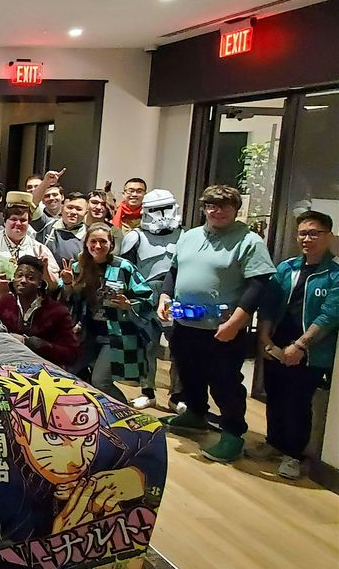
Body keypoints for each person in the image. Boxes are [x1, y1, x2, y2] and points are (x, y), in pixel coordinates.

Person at [159, 185, 276, 464]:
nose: (217, 211)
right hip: (185, 322)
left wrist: (236, 322)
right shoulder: (190, 236)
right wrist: (164, 296)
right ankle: (195, 414)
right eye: (211, 206)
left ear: (236, 209)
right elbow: (174, 270)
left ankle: (233, 433)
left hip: (222, 328)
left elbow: (258, 285)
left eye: (224, 206)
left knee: (225, 382)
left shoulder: (249, 241)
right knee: (188, 372)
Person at [256, 211, 338, 480]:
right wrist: (265, 337)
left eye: (314, 233)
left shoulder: (334, 274)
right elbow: (269, 304)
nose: (307, 239)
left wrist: (301, 346)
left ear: (328, 236)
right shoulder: (286, 268)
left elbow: (329, 316)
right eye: (302, 233)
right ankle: (274, 442)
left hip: (310, 351)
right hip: (277, 343)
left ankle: (294, 455)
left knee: (297, 402)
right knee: (275, 395)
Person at [59, 223, 156, 403]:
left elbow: (148, 298)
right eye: (93, 241)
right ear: (86, 244)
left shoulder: (124, 267)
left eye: (103, 241)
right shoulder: (78, 268)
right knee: (67, 372)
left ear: (111, 244)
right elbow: (64, 300)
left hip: (117, 335)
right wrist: (66, 283)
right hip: (85, 333)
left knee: (100, 381)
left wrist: (129, 305)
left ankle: (124, 413)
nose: (98, 246)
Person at [119, 189, 183, 409]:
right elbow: (126, 270)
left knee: (180, 346)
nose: (162, 215)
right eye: (156, 210)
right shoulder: (135, 237)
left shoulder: (185, 236)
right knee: (146, 345)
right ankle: (148, 391)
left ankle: (178, 395)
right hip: (145, 293)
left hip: (176, 294)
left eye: (166, 208)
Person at [0, 192, 59, 311]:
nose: (18, 224)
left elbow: (54, 284)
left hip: (21, 312)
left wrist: (45, 268)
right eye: (13, 219)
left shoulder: (38, 248)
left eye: (23, 220)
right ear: (5, 222)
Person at [0, 255, 79, 368]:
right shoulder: (5, 303)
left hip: (43, 370)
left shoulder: (57, 312)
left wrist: (29, 342)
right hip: (3, 365)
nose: (23, 281)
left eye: (30, 278)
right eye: (19, 276)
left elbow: (71, 354)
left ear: (40, 283)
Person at [43, 191, 89, 266]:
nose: (73, 212)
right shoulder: (45, 224)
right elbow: (33, 206)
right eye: (70, 207)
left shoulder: (89, 235)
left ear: (86, 213)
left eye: (79, 209)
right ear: (62, 208)